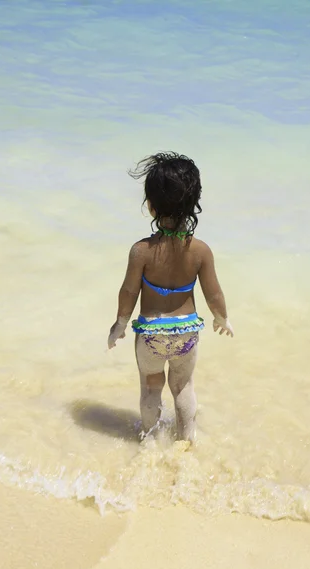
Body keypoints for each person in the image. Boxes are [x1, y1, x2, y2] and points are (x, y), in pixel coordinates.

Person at [108, 152, 233, 443]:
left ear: (150, 206)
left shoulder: (141, 251)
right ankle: (185, 440)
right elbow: (213, 292)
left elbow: (128, 291)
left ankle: (148, 438)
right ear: (193, 204)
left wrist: (120, 324)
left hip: (151, 333)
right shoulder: (201, 251)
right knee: (184, 386)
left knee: (151, 388)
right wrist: (222, 318)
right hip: (186, 333)